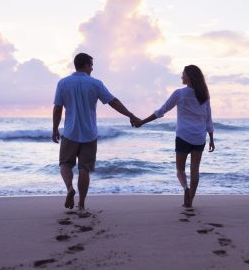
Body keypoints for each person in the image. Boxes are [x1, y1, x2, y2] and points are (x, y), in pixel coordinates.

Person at [52, 52, 138, 210]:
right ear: (85, 65)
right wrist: (130, 115)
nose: (92, 68)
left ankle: (70, 189)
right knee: (84, 168)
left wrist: (55, 129)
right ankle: (82, 204)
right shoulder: (95, 83)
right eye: (91, 64)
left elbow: (57, 108)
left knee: (65, 164)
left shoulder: (63, 83)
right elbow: (113, 102)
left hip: (70, 132)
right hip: (89, 133)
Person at [133, 65, 214, 207]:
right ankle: (190, 201)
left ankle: (185, 188)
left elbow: (161, 111)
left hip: (183, 136)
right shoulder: (204, 96)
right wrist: (212, 139)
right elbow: (208, 119)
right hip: (199, 137)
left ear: (189, 77)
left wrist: (142, 122)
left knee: (180, 169)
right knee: (195, 169)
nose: (181, 77)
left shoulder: (180, 93)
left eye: (183, 74)